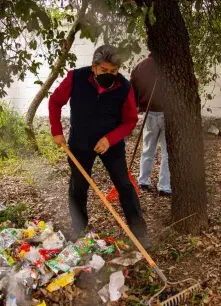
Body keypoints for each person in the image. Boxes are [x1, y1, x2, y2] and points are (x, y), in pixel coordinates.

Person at [48, 44, 149, 248]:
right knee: (78, 185)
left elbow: (130, 120)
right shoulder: (75, 78)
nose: (109, 75)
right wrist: (56, 130)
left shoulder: (124, 87)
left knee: (124, 184)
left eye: (113, 71)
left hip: (110, 145)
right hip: (80, 142)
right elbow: (55, 101)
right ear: (94, 67)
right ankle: (78, 229)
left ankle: (140, 234)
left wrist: (110, 139)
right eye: (104, 71)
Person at [131, 54, 172, 197]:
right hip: (166, 113)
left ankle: (143, 181)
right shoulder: (171, 64)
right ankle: (164, 186)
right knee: (167, 152)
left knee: (149, 149)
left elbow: (132, 86)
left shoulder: (141, 66)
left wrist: (136, 104)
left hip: (152, 113)